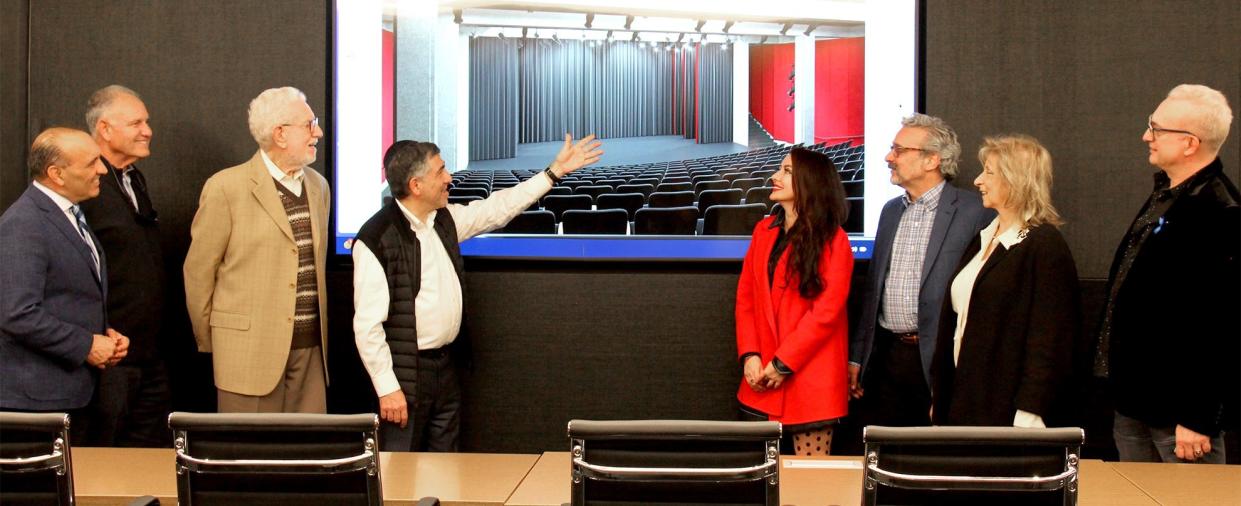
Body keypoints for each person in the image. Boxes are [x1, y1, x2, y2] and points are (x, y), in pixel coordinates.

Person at [353, 134, 603, 451]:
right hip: (406, 377)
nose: (449, 178)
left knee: (445, 464)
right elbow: (367, 326)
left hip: (446, 367)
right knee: (401, 471)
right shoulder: (376, 238)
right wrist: (387, 388)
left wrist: (553, 172)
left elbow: (497, 208)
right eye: (440, 171)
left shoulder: (443, 220)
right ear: (416, 185)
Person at [1096, 84, 1238, 464]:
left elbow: (1223, 324)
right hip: (1133, 401)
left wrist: (1198, 416)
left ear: (1190, 143)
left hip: (1179, 418)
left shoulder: (1219, 211)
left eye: (1156, 129)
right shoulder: (1167, 195)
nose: (1146, 136)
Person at [184, 86, 331, 413]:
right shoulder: (226, 187)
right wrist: (217, 342)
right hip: (246, 354)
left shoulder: (318, 187)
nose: (317, 132)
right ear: (280, 134)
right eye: (309, 124)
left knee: (307, 457)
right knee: (249, 457)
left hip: (309, 354)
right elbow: (198, 273)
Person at [848, 114, 993, 427]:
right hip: (886, 358)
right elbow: (874, 291)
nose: (889, 157)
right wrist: (858, 355)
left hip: (939, 359)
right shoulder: (889, 211)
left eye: (899, 150)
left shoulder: (975, 212)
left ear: (932, 160)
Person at [931, 134, 1082, 427]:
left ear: (1016, 180)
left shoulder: (1043, 245)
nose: (977, 181)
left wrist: (1031, 409)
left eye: (989, 172)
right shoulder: (984, 237)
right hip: (966, 400)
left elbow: (1050, 337)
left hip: (1009, 410)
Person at [0, 128, 129, 432]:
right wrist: (86, 344)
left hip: (73, 393)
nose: (101, 170)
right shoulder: (23, 224)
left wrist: (102, 334)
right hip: (39, 402)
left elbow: (64, 295)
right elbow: (16, 313)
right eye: (91, 163)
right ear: (56, 174)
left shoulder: (67, 214)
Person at [735, 147, 853, 455]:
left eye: (786, 171)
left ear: (809, 181)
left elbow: (825, 313)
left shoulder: (834, 239)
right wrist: (750, 356)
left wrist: (783, 363)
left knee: (811, 485)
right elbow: (746, 299)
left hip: (810, 381)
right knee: (761, 484)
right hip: (760, 379)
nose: (775, 176)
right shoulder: (763, 231)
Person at [78, 85, 170, 446]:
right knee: (104, 460)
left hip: (150, 356)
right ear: (104, 129)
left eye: (146, 121)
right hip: (109, 361)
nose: (147, 130)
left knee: (149, 462)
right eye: (136, 122)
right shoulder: (84, 188)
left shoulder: (134, 178)